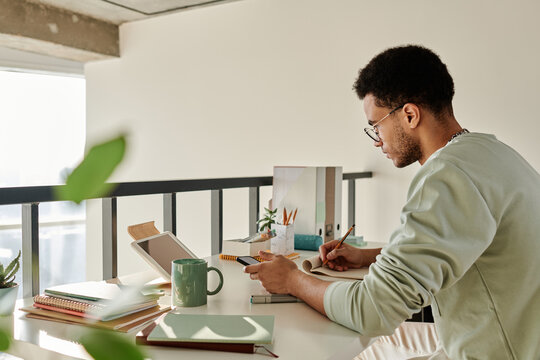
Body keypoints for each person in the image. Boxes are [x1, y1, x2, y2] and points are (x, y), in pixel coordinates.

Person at [244, 45, 540, 359]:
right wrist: (366, 256)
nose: (377, 140)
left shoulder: (447, 177)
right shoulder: (493, 154)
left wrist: (292, 279)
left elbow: (372, 311)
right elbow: (464, 243)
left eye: (377, 125)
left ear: (410, 114)